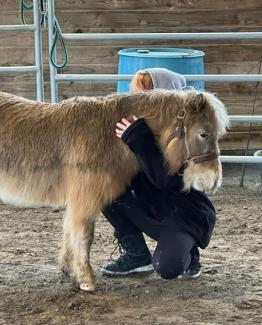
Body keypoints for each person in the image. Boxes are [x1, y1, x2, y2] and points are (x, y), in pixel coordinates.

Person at [101, 68, 215, 279]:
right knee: (105, 192)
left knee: (167, 267)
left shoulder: (185, 136)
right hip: (155, 211)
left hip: (185, 217)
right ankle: (136, 254)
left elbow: (165, 180)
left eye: (146, 94)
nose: (138, 100)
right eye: (136, 94)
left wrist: (138, 138)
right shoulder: (140, 126)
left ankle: (190, 254)